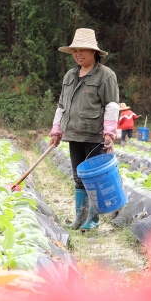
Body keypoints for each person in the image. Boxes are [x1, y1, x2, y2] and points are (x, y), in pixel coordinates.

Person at [49, 28, 120, 231]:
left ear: (94, 52)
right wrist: (56, 131)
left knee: (93, 179)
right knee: (78, 177)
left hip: (94, 135)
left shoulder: (106, 76)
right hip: (74, 134)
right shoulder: (70, 76)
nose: (78, 54)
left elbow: (112, 106)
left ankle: (93, 220)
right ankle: (78, 219)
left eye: (83, 50)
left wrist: (109, 133)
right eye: (75, 51)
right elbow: (61, 106)